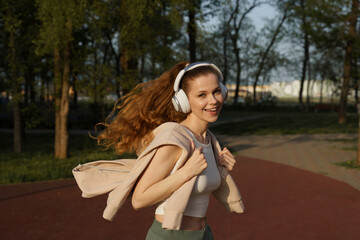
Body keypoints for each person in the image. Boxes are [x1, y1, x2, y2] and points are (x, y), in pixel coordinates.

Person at [93, 61, 244, 240]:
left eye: (216, 91)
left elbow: (202, 185)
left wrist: (221, 169)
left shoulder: (209, 140)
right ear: (184, 101)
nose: (213, 101)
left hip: (203, 234)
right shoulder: (175, 138)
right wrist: (186, 173)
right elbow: (139, 199)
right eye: (202, 95)